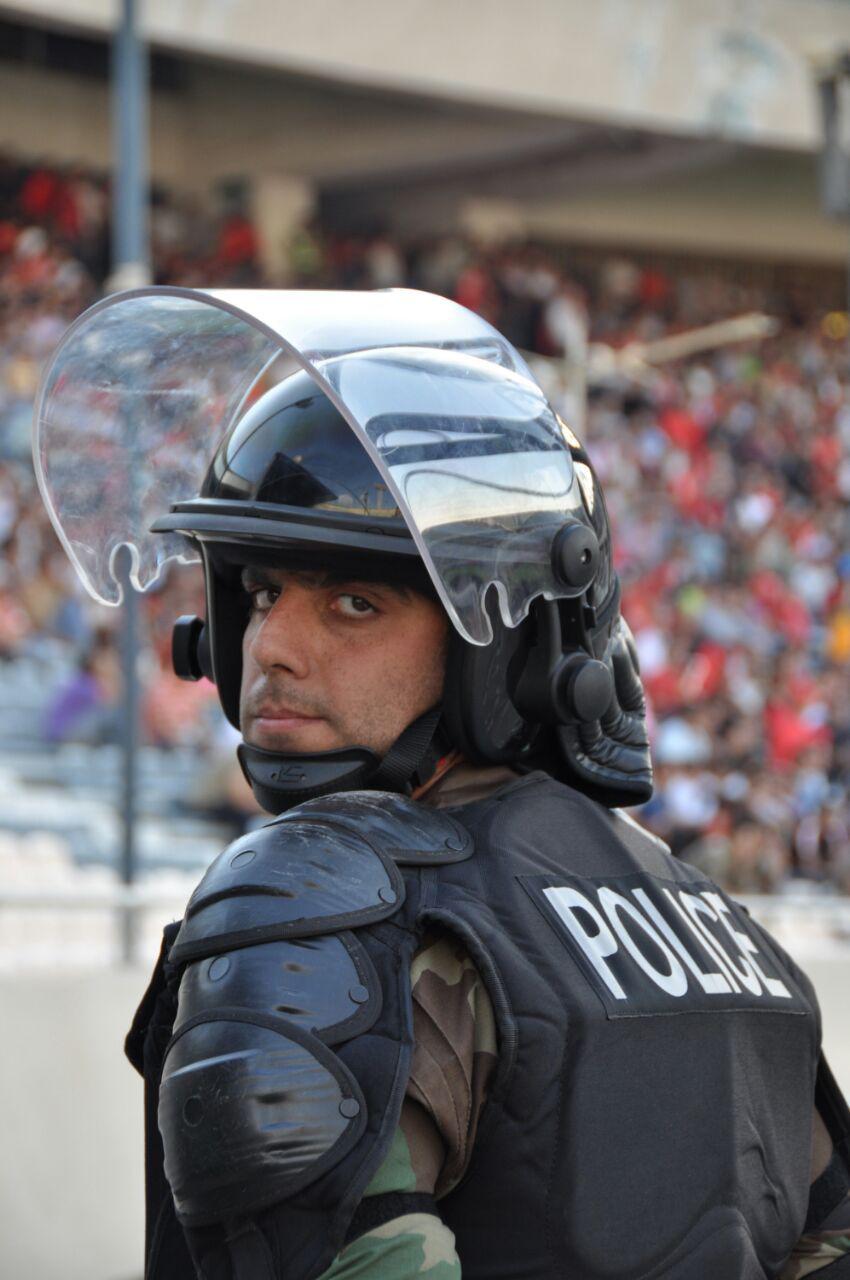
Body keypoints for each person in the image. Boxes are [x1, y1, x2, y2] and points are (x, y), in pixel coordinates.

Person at [35, 288, 850, 1279]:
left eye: (353, 602)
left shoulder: (315, 906)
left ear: (496, 645)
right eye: (260, 592)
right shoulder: (726, 934)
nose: (270, 646)